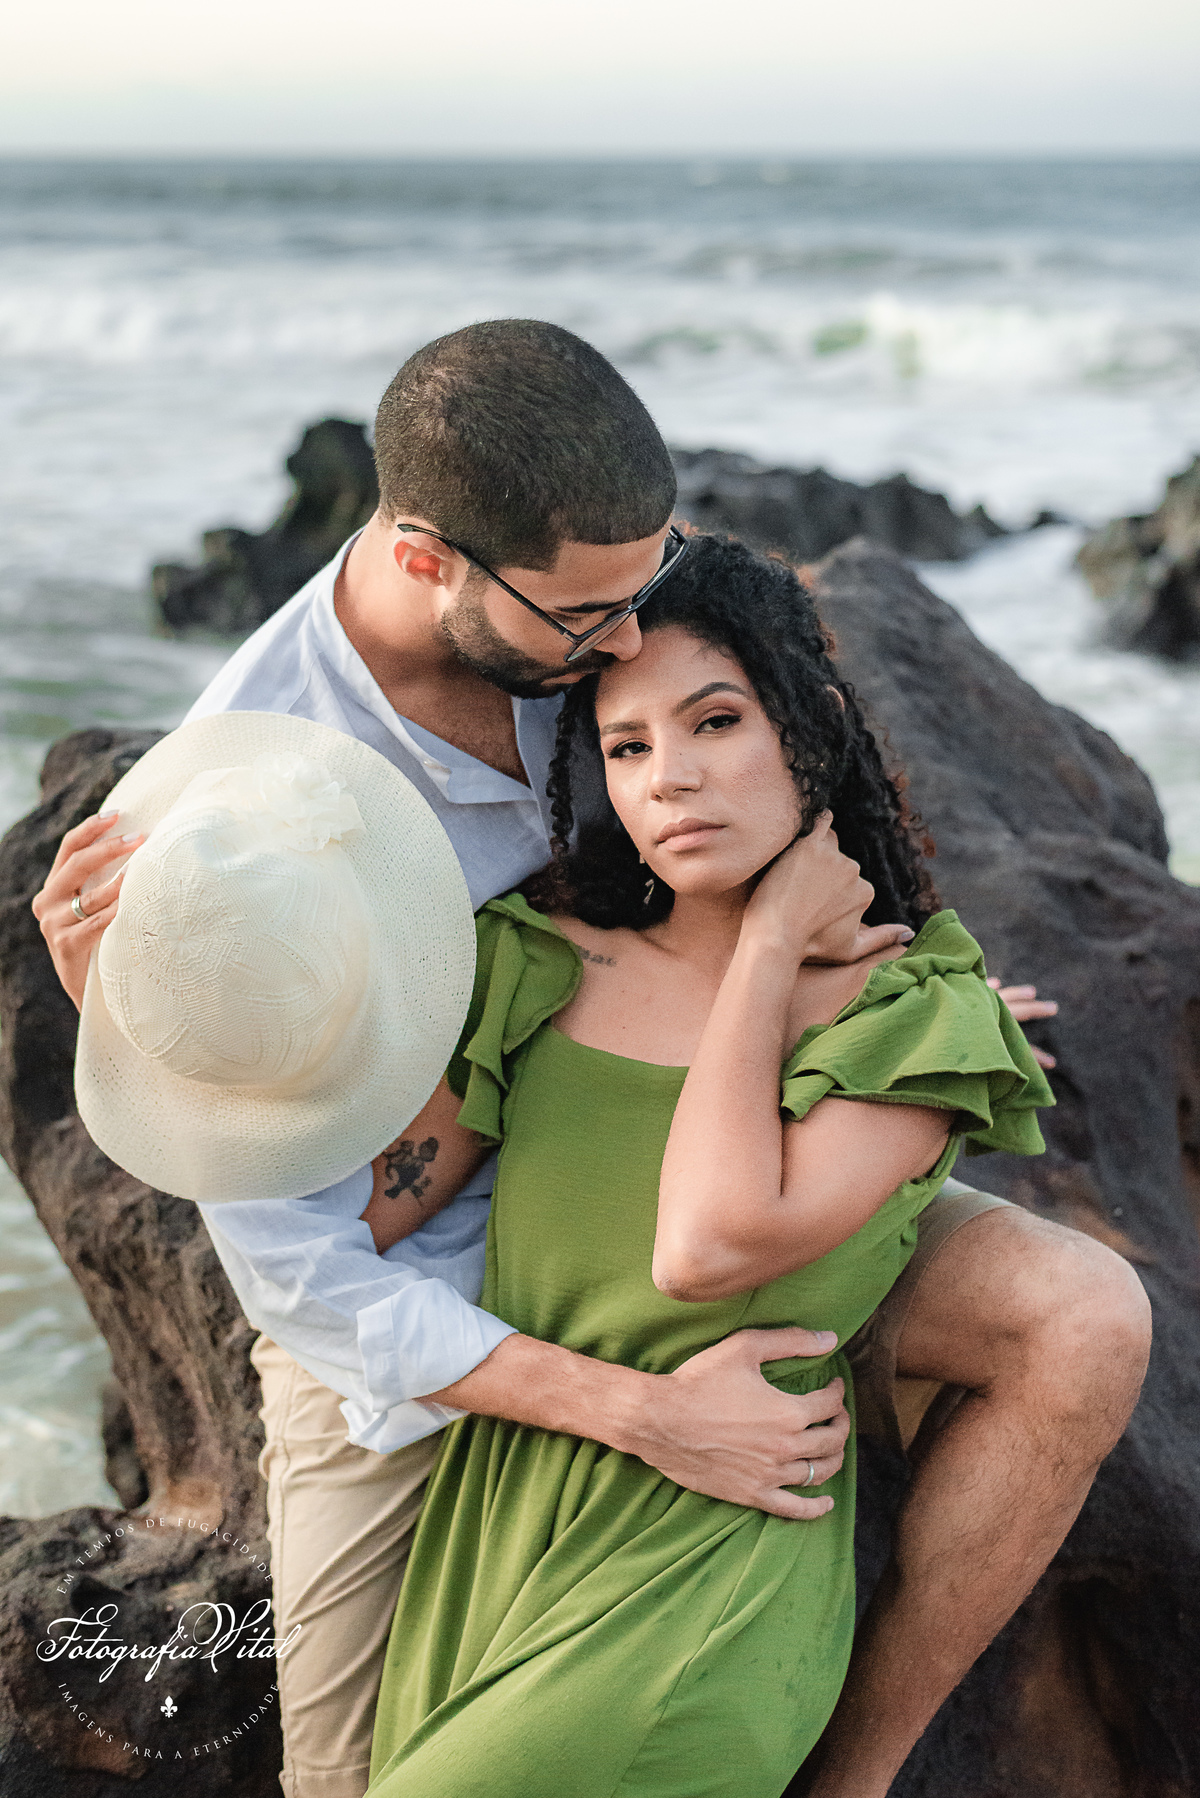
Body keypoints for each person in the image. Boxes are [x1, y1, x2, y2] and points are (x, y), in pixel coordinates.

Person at [32, 320, 1151, 1798]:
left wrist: (890, 1015)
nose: (623, 645)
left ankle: (861, 1770)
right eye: (586, 625)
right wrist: (177, 1030)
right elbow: (311, 1271)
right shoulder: (246, 795)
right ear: (428, 558)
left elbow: (777, 749)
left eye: (644, 587)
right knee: (346, 1779)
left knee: (1080, 1316)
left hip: (705, 1155)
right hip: (437, 1292)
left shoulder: (602, 606)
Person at [356, 535, 1051, 1796]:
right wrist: (169, 1008)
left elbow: (707, 1244)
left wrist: (774, 942)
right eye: (626, 747)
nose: (670, 779)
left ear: (809, 729)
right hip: (499, 1544)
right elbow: (359, 1228)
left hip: (708, 1583)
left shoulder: (912, 1017)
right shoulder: (532, 958)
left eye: (714, 721)